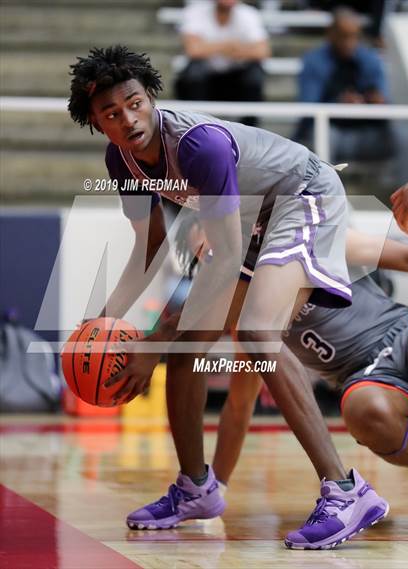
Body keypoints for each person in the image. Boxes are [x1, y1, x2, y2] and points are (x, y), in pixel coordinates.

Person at [68, 45, 388, 550]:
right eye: (112, 113)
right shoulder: (122, 158)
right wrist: (99, 324)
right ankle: (196, 487)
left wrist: (155, 337)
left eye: (134, 102)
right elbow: (148, 248)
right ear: (96, 123)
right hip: (252, 218)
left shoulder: (200, 146)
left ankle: (346, 491)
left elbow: (224, 256)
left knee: (258, 333)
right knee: (184, 350)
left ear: (149, 97)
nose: (128, 119)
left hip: (303, 197)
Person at [175, 215, 408, 489]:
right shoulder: (248, 322)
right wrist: (216, 487)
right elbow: (239, 406)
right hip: (369, 381)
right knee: (364, 412)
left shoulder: (314, 241)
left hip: (406, 337)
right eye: (205, 257)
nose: (218, 261)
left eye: (218, 246)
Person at [296, 7, 394, 162]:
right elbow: (308, 107)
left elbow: (384, 100)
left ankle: (404, 186)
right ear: (331, 33)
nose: (349, 42)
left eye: (354, 36)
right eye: (344, 36)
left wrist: (374, 101)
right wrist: (338, 104)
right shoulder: (313, 61)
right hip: (330, 131)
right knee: (323, 136)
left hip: (364, 132)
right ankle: (325, 186)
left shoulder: (371, 60)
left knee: (404, 137)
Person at [175, 0, 270, 126]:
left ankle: (250, 130)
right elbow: (193, 50)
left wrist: (211, 48)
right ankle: (194, 127)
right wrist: (229, 46)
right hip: (205, 81)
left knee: (255, 73)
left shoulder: (248, 14)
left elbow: (263, 52)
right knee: (194, 71)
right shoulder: (196, 12)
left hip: (236, 81)